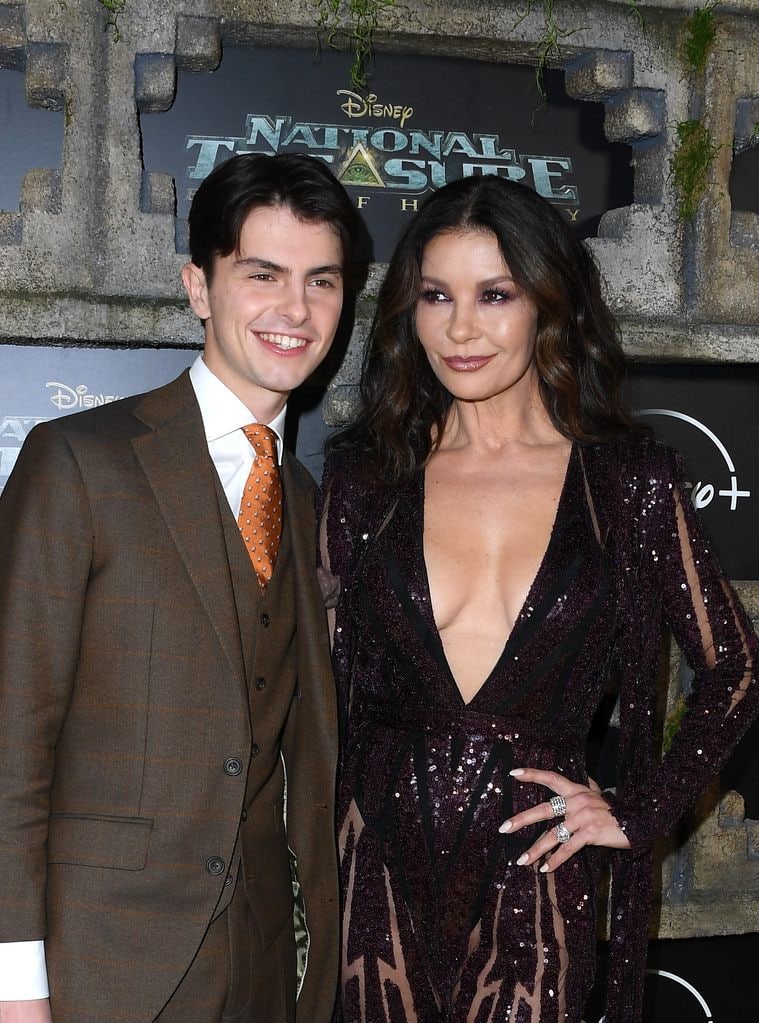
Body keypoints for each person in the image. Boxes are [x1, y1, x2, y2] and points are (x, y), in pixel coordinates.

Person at [319, 175, 759, 1023]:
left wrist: (639, 809)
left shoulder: (624, 484)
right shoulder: (363, 480)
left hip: (532, 873)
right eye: (434, 295)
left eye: (494, 294)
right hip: (373, 865)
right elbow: (312, 679)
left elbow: (734, 667)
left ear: (547, 305)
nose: (459, 328)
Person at [0, 152, 360, 1023]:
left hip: (266, 962)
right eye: (262, 275)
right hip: (99, 963)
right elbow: (9, 737)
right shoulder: (79, 460)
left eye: (321, 281)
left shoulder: (316, 503)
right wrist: (17, 986)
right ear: (199, 287)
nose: (295, 310)